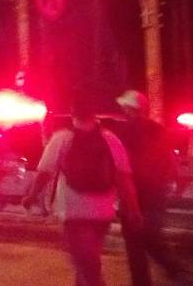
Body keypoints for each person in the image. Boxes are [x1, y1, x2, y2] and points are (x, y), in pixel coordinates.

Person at [23, 105, 142, 286]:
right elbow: (124, 177)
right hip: (103, 212)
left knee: (88, 266)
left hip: (74, 213)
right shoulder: (110, 139)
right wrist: (134, 209)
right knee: (87, 262)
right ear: (94, 116)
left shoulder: (62, 138)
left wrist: (31, 196)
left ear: (73, 115)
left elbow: (44, 173)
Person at [116, 90, 181, 285]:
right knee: (152, 236)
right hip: (156, 193)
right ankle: (172, 268)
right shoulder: (158, 129)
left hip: (134, 192)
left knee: (134, 242)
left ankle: (142, 281)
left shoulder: (125, 132)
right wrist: (170, 182)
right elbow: (170, 160)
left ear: (130, 109)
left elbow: (120, 164)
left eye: (125, 107)